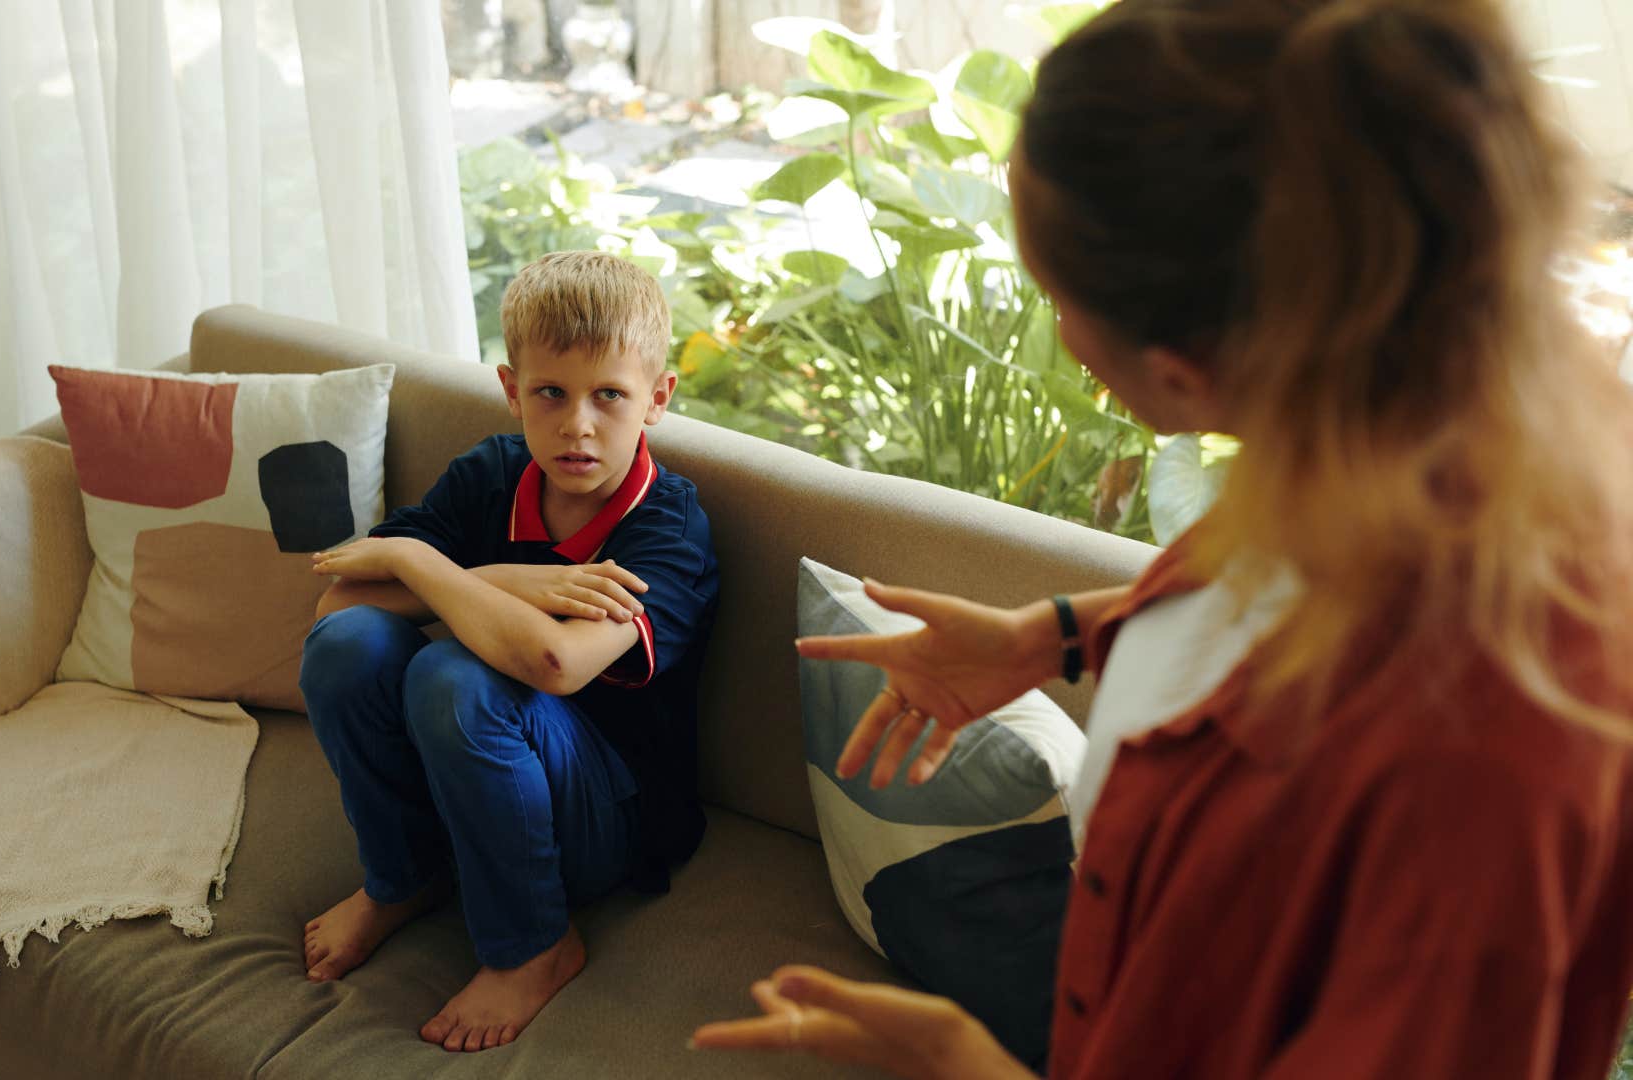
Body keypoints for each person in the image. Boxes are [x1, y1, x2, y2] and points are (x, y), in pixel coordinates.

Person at [692, 0, 1633, 1075]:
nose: (1055, 332)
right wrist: (1053, 637)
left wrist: (972, 1063)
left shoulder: (1475, 784)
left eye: (1057, 296)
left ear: (1186, 366)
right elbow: (1275, 595)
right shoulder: (1410, 399)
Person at [299, 251, 719, 1053]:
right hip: (466, 780)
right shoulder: (490, 475)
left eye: (610, 396)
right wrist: (497, 576)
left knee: (453, 672)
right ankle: (404, 876)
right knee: (347, 646)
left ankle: (533, 945)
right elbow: (337, 605)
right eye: (550, 393)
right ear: (510, 389)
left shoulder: (670, 528)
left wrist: (419, 567)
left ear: (657, 400)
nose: (578, 426)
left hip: (606, 815)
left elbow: (556, 665)